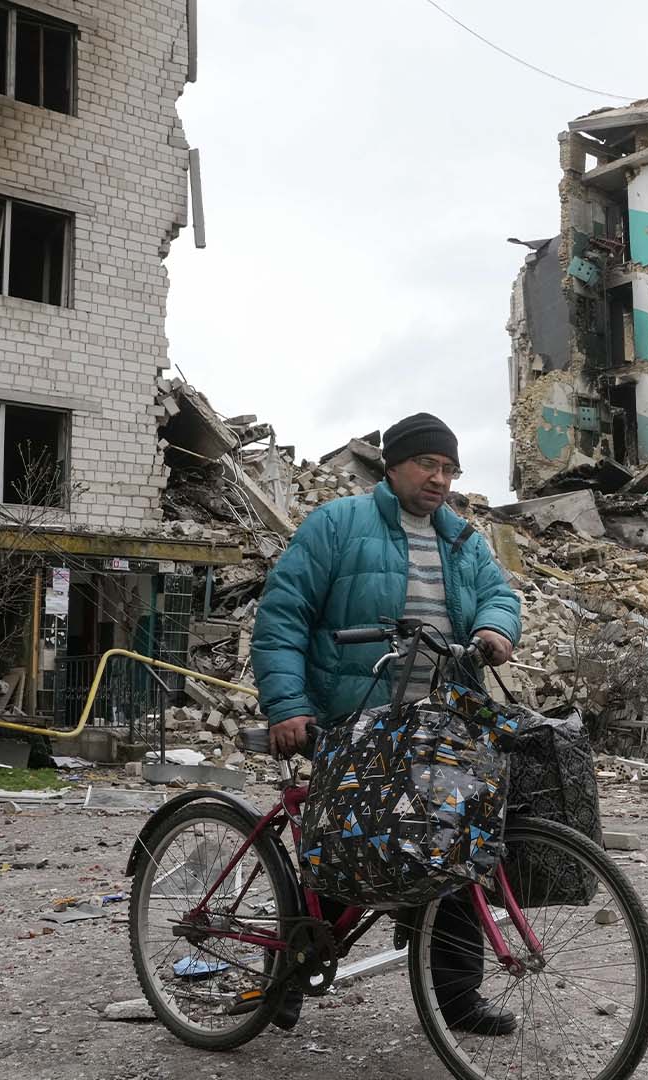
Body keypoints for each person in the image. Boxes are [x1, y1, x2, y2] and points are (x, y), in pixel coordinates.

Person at [252, 411, 523, 1036]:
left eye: (449, 468)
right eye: (428, 464)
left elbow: (499, 595)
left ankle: (458, 999)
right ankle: (287, 975)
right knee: (345, 854)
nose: (439, 478)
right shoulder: (337, 525)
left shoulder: (462, 539)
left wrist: (494, 628)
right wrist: (288, 706)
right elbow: (284, 615)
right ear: (393, 465)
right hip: (355, 718)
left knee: (457, 852)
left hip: (441, 725)